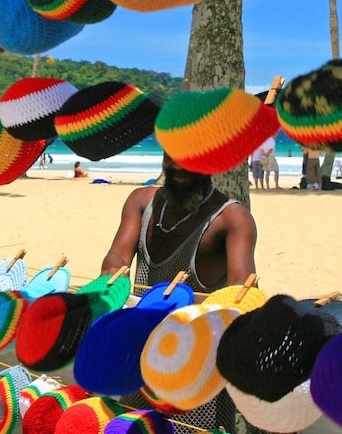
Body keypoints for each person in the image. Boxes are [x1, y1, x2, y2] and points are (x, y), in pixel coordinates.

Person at [100, 153, 257, 432]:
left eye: (192, 157)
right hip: (141, 359)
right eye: (172, 156)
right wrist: (111, 281)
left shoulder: (231, 219)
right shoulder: (141, 201)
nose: (179, 165)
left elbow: (242, 296)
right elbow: (117, 257)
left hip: (196, 374)